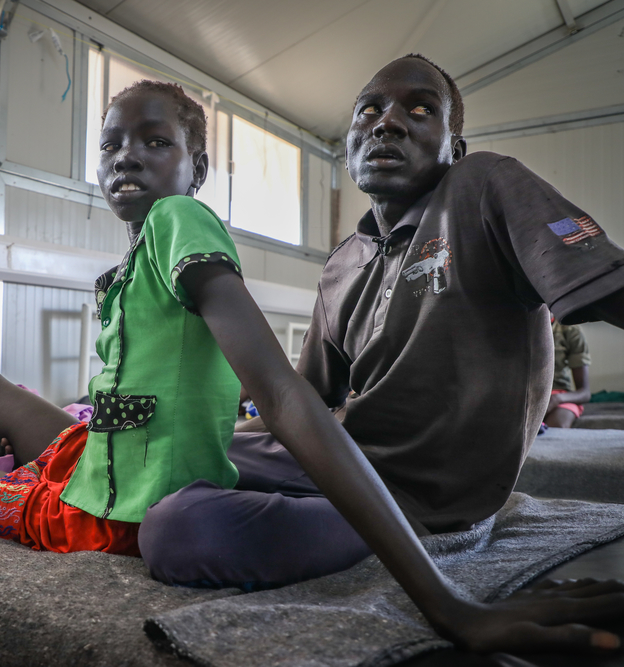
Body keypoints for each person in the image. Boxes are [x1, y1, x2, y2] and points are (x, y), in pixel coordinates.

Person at [0, 77, 624, 655]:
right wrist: (102, 417)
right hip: (98, 456)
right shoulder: (262, 263)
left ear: (197, 170)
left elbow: (284, 397)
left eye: (155, 142)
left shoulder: (195, 223)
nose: (126, 157)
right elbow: (281, 401)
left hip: (100, 510)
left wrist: (446, 603)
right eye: (111, 144)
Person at [136, 57, 624, 654]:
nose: (387, 121)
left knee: (180, 527)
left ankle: (376, 535)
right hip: (335, 462)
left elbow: (610, 285)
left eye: (420, 109)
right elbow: (304, 401)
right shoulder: (344, 260)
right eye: (369, 109)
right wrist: (214, 428)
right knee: (156, 456)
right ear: (348, 143)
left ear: (454, 147)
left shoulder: (482, 186)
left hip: (413, 498)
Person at [546, 319, 591, 428]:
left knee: (556, 428)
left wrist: (556, 399)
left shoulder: (570, 330)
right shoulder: (515, 329)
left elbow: (584, 392)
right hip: (521, 396)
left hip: (558, 396)